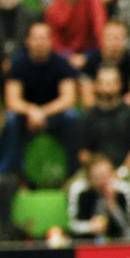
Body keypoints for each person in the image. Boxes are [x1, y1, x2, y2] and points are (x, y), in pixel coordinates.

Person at [1, 22, 80, 177]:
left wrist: (43, 112)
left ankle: (73, 170)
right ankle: (7, 171)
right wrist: (32, 111)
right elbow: (12, 101)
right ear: (28, 41)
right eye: (36, 39)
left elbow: (69, 98)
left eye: (44, 38)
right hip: (26, 117)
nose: (40, 43)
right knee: (10, 119)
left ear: (51, 41)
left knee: (72, 116)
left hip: (53, 116)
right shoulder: (18, 65)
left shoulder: (61, 65)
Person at [67, 153, 130, 240]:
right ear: (89, 178)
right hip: (86, 241)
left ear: (112, 174)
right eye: (97, 177)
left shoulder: (123, 190)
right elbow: (71, 224)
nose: (102, 181)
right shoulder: (79, 190)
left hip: (118, 241)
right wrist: (89, 227)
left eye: (106, 176)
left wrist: (113, 206)